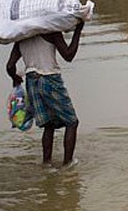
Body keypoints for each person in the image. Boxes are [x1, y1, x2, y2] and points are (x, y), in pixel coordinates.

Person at [6, 21, 84, 167]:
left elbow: (10, 66)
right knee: (72, 122)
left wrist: (15, 78)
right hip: (50, 79)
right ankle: (68, 164)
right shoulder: (51, 32)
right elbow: (69, 55)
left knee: (49, 125)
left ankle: (47, 164)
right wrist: (78, 31)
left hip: (31, 82)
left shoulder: (22, 37)